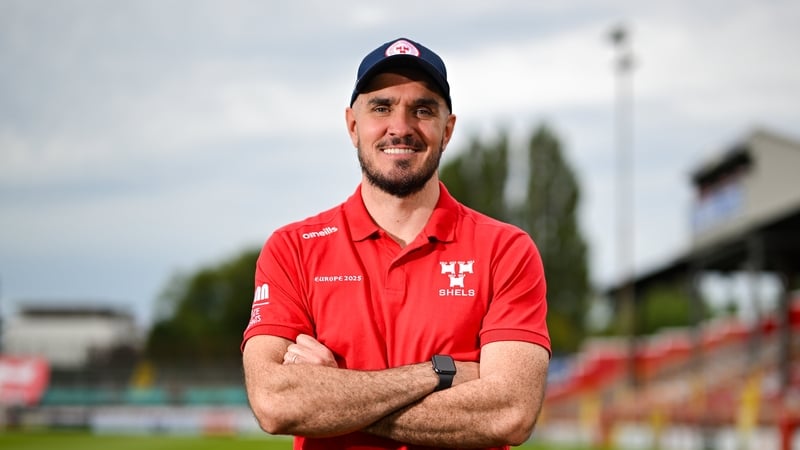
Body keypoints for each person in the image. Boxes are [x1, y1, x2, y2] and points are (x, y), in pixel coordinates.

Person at [241, 37, 551, 450]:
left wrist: (334, 395)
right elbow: (275, 404)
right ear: (353, 126)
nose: (401, 127)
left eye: (422, 110)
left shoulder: (505, 250)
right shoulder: (292, 249)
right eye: (381, 107)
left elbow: (509, 413)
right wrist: (438, 374)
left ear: (447, 130)